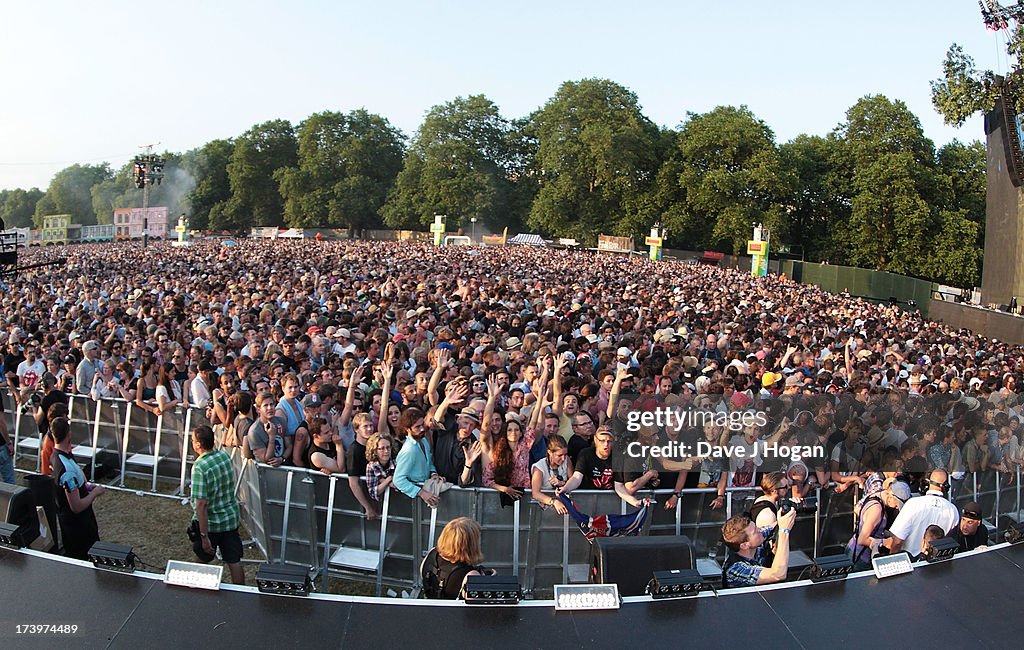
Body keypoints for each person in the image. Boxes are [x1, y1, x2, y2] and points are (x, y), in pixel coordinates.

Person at [189, 424, 245, 584]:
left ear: (198, 444)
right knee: (234, 561)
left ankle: (194, 589)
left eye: (193, 440)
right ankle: (242, 596)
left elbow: (201, 505)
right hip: (229, 519)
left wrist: (204, 536)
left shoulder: (200, 467)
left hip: (212, 524)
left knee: (202, 558)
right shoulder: (224, 456)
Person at [50, 415, 104, 559]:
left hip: (77, 525)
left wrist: (86, 486)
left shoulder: (59, 456)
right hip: (79, 530)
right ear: (69, 434)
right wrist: (95, 493)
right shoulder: (66, 470)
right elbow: (76, 506)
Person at [884, 469, 960, 557]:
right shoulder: (953, 510)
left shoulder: (912, 504)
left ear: (928, 482)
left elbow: (897, 542)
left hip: (910, 563)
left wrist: (893, 561)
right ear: (946, 486)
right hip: (937, 564)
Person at [721, 505, 798, 587]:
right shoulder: (736, 569)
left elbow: (774, 526)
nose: (759, 530)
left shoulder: (757, 539)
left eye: (756, 527)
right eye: (755, 531)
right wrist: (784, 531)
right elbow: (778, 574)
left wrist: (788, 511)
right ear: (744, 545)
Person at [846, 480, 911, 569]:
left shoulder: (878, 495)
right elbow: (862, 539)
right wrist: (885, 542)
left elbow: (876, 529)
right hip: (859, 557)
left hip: (858, 553)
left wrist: (890, 534)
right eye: (897, 504)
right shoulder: (876, 509)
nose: (897, 507)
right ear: (891, 495)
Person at [421, 517, 489, 600]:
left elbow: (423, 576)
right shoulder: (471, 576)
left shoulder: (431, 554)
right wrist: (489, 581)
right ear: (470, 545)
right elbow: (476, 606)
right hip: (453, 612)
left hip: (428, 607)